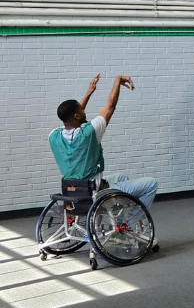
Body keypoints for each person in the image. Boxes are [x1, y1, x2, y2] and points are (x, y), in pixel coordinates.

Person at [49, 74, 159, 210]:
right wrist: (117, 80)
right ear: (77, 116)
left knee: (121, 177)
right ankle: (131, 220)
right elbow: (110, 105)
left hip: (72, 190)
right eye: (81, 110)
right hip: (95, 192)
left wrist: (89, 93)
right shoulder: (89, 133)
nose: (84, 111)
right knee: (151, 184)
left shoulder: (54, 135)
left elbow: (71, 119)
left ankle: (116, 216)